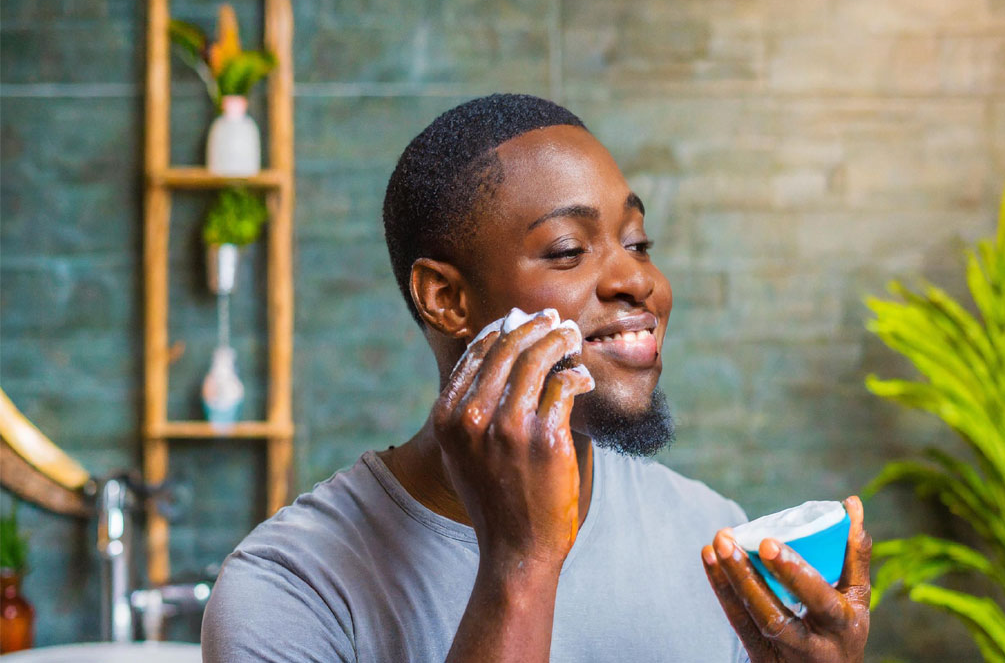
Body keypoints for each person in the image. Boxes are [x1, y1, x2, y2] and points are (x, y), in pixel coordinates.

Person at [201, 94, 872, 663]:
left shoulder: (712, 538)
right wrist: (520, 564)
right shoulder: (289, 592)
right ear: (447, 299)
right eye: (568, 251)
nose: (637, 280)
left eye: (638, 243)